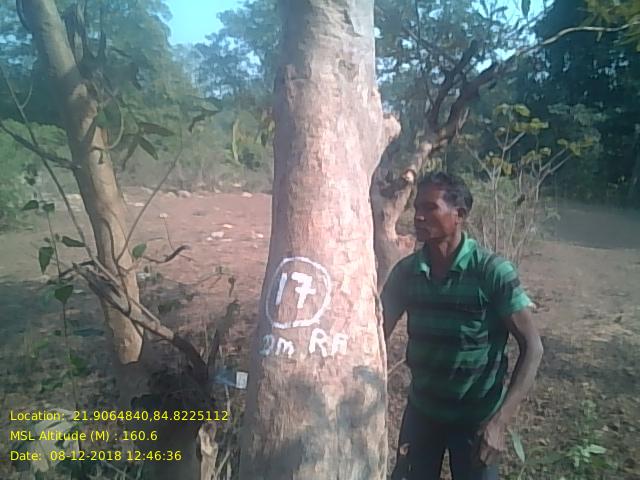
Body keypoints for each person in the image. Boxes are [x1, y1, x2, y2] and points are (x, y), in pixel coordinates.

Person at [383, 172, 544, 480]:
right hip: (422, 413)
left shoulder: (491, 271)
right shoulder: (406, 273)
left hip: (477, 420)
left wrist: (499, 424)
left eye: (430, 207)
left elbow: (533, 348)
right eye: (417, 207)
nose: (418, 216)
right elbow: (376, 335)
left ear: (460, 214)